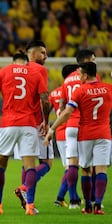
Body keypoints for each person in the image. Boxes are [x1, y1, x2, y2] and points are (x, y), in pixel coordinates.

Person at [0, 52, 50, 215]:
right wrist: (46, 121)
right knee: (30, 165)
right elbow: (45, 99)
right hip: (29, 124)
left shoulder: (3, 71)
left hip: (8, 123)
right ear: (26, 62)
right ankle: (30, 206)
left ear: (13, 62)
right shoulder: (35, 73)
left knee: (1, 165)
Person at [44, 62, 112, 215]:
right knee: (101, 170)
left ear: (86, 75)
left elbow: (67, 112)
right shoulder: (109, 88)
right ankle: (98, 206)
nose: (78, 76)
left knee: (86, 170)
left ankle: (87, 206)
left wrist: (52, 129)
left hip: (85, 134)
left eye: (80, 74)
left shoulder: (80, 91)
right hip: (104, 134)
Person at [14, 40, 53, 210]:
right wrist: (46, 121)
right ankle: (24, 188)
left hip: (17, 122)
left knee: (27, 164)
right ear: (32, 53)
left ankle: (30, 204)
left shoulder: (15, 70)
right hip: (37, 122)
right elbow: (44, 99)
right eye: (42, 53)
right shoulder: (40, 70)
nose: (46, 56)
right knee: (47, 163)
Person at [58, 49, 97, 209]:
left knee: (72, 164)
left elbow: (61, 104)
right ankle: (93, 199)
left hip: (69, 126)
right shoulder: (90, 75)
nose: (94, 61)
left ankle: (73, 200)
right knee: (91, 165)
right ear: (86, 60)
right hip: (86, 125)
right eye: (93, 59)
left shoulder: (67, 79)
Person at [51, 64, 79, 207]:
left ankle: (68, 197)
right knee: (74, 167)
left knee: (69, 167)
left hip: (59, 132)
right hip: (72, 127)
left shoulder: (55, 92)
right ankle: (63, 196)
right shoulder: (75, 88)